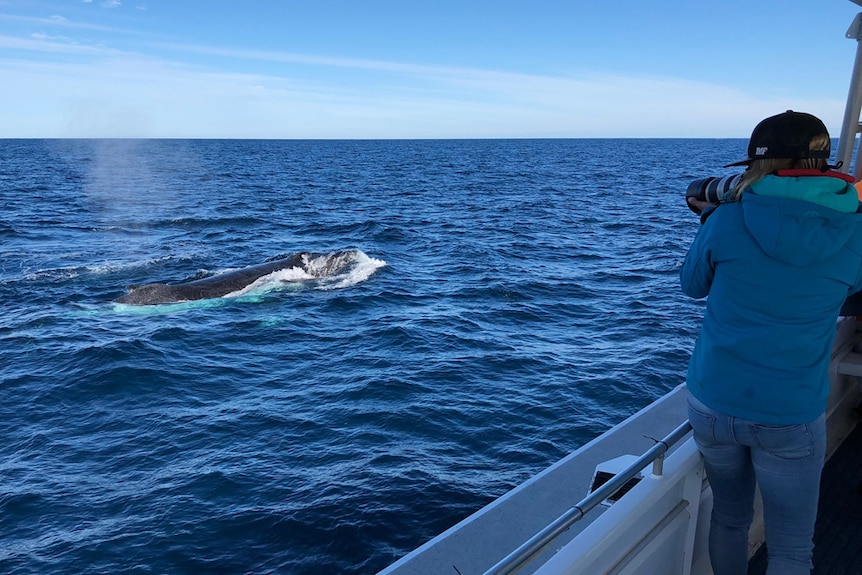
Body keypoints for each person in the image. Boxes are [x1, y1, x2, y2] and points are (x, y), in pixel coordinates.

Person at [680, 110, 862, 575]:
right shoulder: (855, 234)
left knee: (729, 518)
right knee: (791, 547)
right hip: (789, 415)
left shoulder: (725, 220)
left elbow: (692, 285)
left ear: (756, 166)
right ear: (822, 164)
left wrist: (710, 223)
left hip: (714, 404)